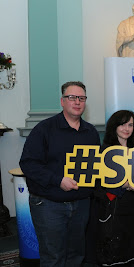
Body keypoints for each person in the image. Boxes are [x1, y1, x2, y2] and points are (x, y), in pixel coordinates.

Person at [19, 81, 100, 266]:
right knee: (53, 257)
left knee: (76, 256)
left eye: (81, 98)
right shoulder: (44, 129)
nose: (77, 102)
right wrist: (57, 180)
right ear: (62, 101)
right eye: (72, 97)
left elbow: (96, 166)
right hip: (49, 205)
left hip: (81, 204)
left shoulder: (91, 132)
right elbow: (28, 164)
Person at [92, 110, 134, 266]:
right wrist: (126, 185)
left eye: (130, 125)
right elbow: (98, 187)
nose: (126, 128)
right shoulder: (105, 152)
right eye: (122, 124)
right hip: (114, 210)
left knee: (132, 254)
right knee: (113, 254)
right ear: (114, 127)